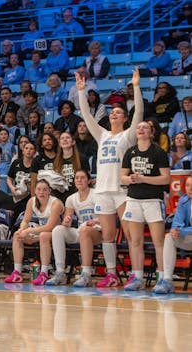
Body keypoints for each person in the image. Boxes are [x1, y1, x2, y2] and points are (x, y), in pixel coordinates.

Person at [76, 67, 142, 287]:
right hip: (103, 190)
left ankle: (136, 274)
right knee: (107, 236)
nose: (113, 114)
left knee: (132, 236)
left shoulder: (129, 135)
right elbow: (86, 115)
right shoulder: (101, 134)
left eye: (118, 112)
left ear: (124, 118)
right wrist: (81, 92)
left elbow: (139, 114)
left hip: (122, 191)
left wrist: (137, 87)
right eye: (112, 112)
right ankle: (112, 274)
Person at [120, 121, 171, 291]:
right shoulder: (130, 152)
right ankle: (138, 277)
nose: (141, 129)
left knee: (158, 241)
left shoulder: (158, 152)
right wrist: (130, 179)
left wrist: (143, 179)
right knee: (135, 241)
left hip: (153, 201)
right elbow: (122, 177)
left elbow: (165, 179)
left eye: (145, 128)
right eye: (139, 127)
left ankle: (164, 278)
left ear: (151, 133)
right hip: (134, 200)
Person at [3, 179, 65, 284]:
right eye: (39, 189)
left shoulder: (56, 203)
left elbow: (49, 227)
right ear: (35, 191)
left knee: (43, 235)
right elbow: (25, 220)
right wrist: (22, 229)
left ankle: (44, 273)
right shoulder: (31, 201)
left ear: (49, 191)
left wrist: (29, 231)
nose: (41, 192)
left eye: (45, 190)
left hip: (57, 233)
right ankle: (17, 272)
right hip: (41, 232)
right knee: (17, 235)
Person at [44, 169, 95, 285]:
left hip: (97, 231)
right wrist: (66, 221)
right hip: (82, 230)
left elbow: (105, 219)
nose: (79, 180)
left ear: (89, 180)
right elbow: (67, 221)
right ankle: (60, 272)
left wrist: (95, 222)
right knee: (58, 230)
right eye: (77, 178)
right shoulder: (71, 198)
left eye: (82, 177)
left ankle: (86, 274)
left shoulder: (96, 194)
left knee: (85, 230)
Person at [158, 175, 192, 294]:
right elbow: (176, 224)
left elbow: (182, 229)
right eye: (188, 185)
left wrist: (182, 231)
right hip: (189, 237)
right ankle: (167, 280)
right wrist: (176, 230)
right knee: (169, 237)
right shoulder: (183, 200)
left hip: (188, 234)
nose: (190, 189)